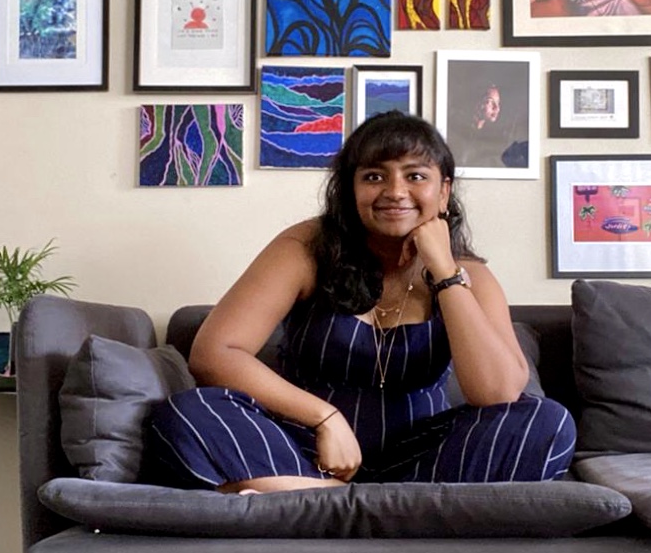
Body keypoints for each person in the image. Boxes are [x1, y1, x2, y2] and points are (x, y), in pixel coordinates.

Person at [149, 112, 575, 491]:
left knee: (547, 422)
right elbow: (214, 353)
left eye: (415, 176)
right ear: (350, 190)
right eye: (374, 176)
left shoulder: (469, 275)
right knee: (190, 410)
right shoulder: (304, 248)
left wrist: (445, 272)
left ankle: (305, 502)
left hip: (424, 459)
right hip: (304, 446)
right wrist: (324, 418)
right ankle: (381, 509)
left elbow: (498, 393)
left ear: (443, 192)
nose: (394, 191)